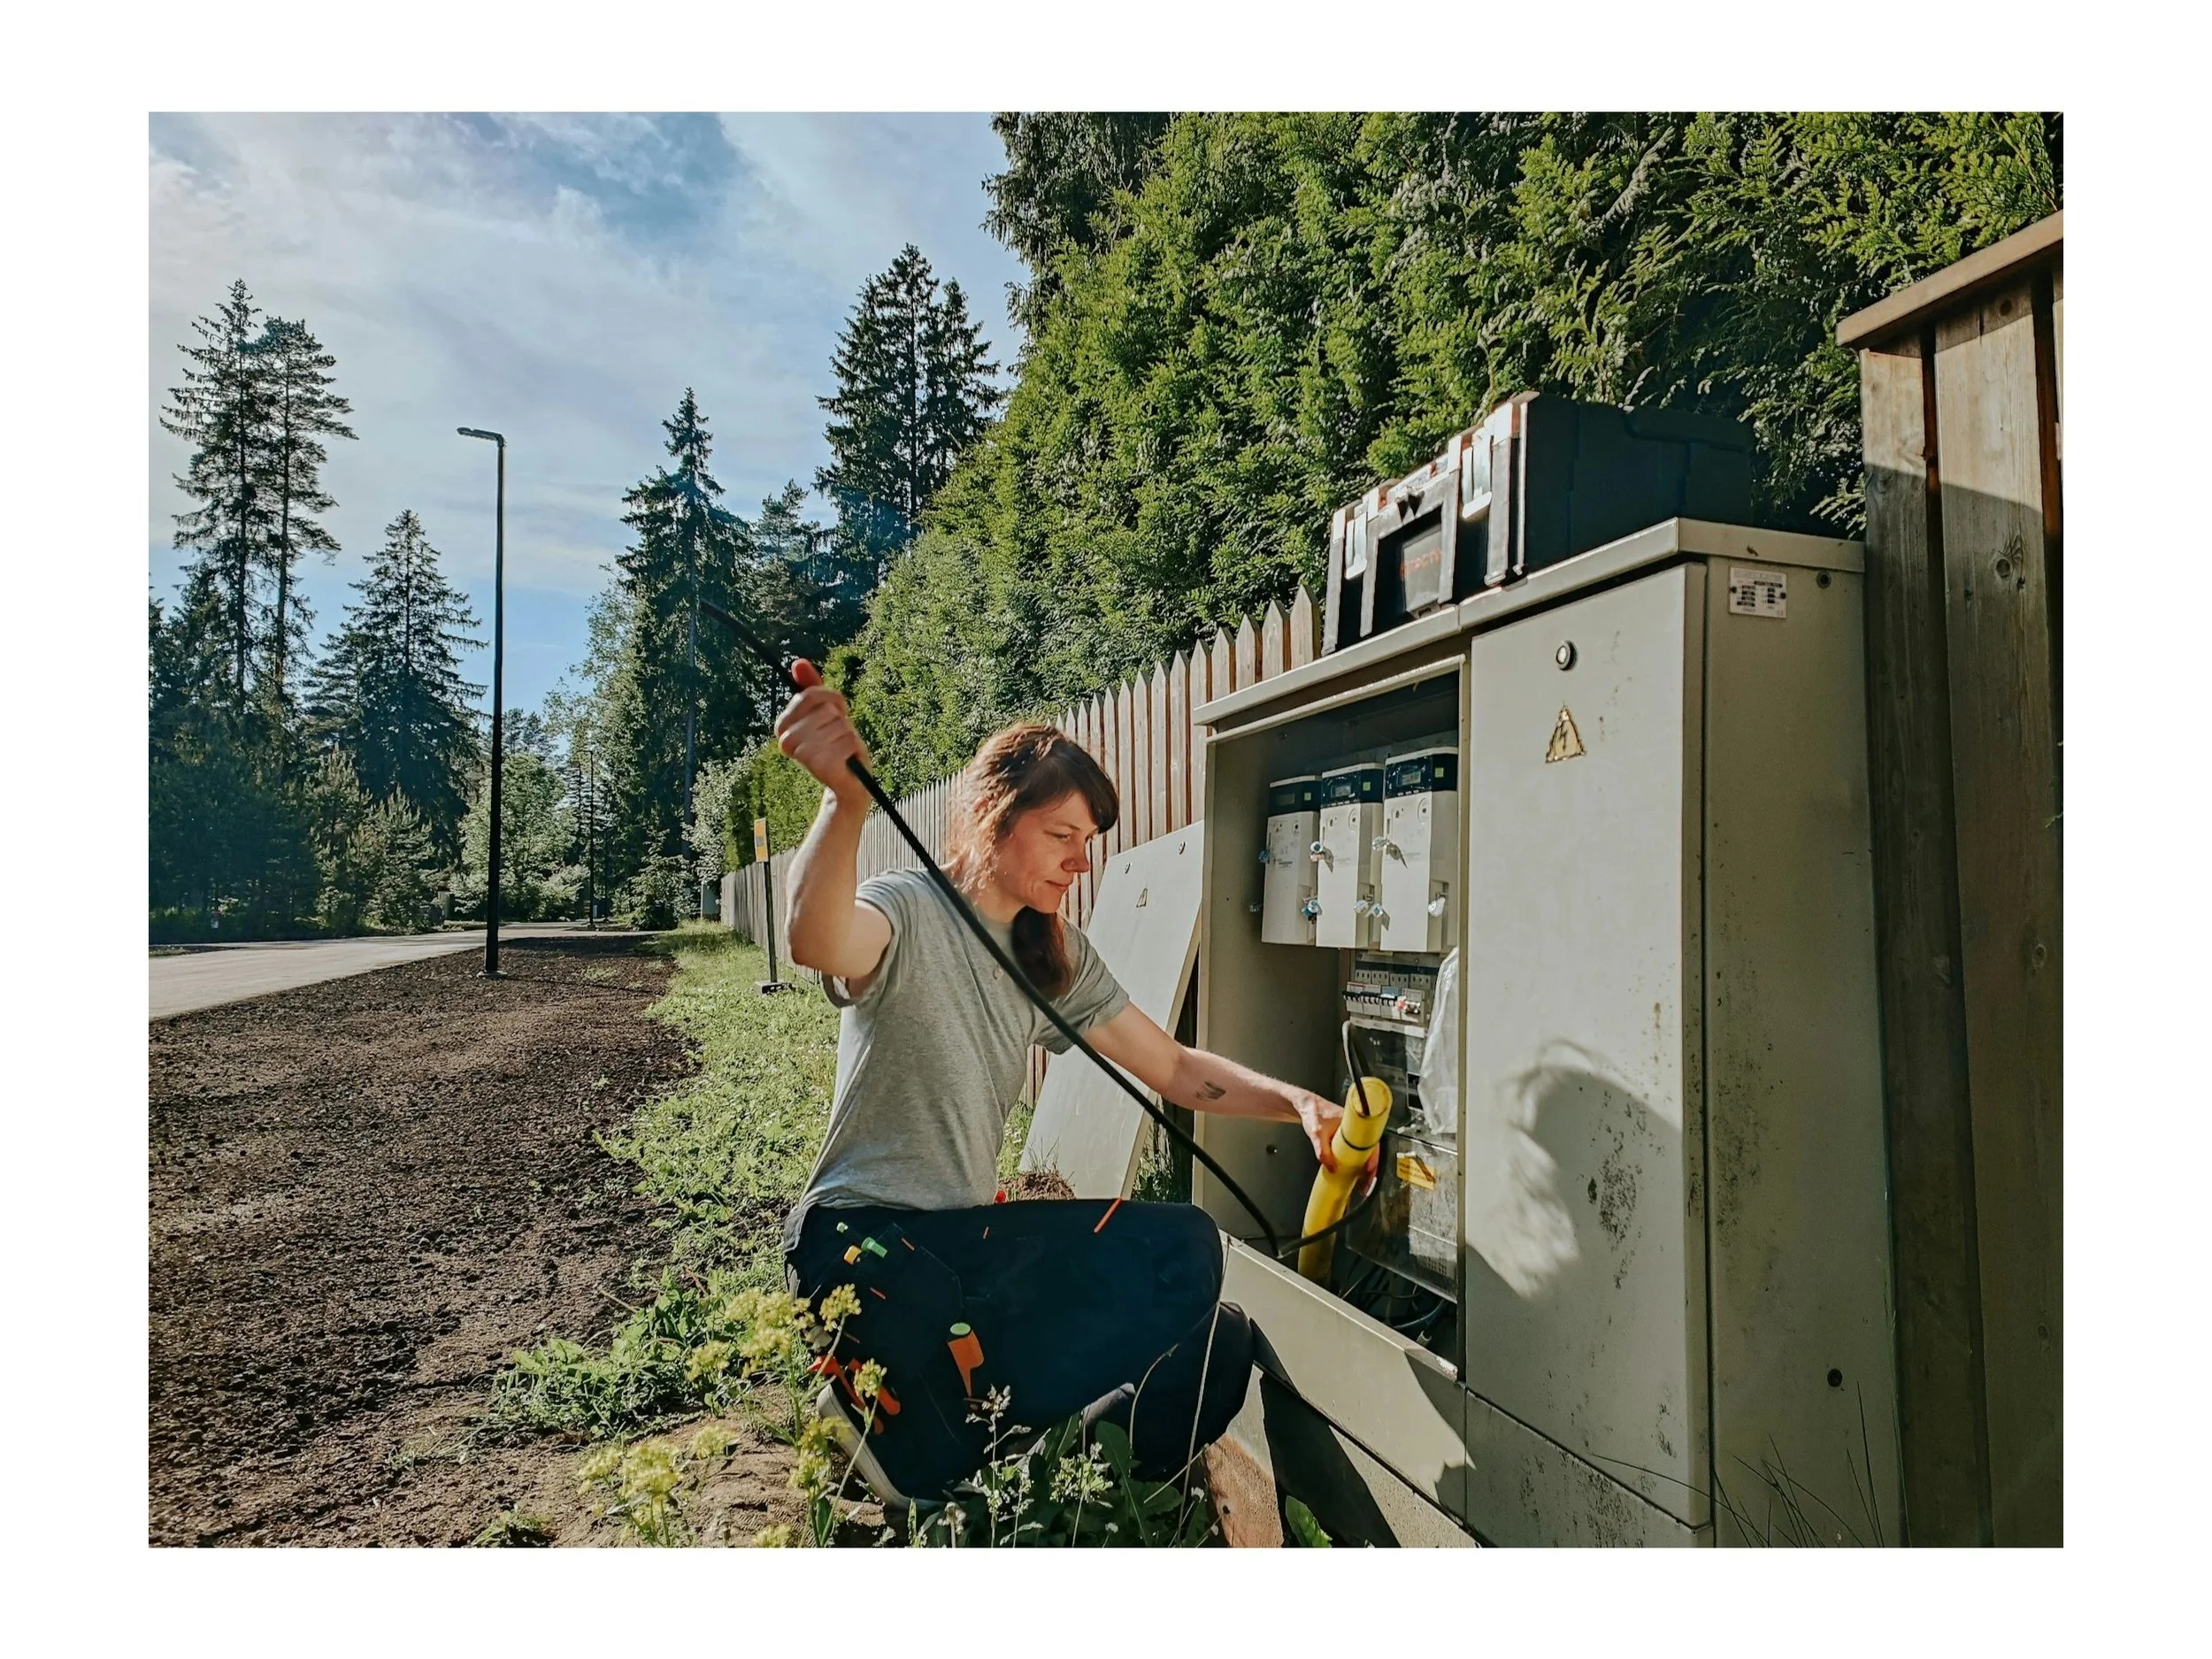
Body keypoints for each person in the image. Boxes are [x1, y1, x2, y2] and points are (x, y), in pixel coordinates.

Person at [773, 680, 1370, 1506]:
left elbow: (1173, 1069)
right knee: (1171, 1252)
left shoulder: (1053, 955)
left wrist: (1298, 1103)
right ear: (992, 815)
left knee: (1207, 1318)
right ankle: (914, 1439)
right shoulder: (904, 908)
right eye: (1061, 834)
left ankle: (1030, 1475)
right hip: (858, 1247)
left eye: (1087, 841)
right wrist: (843, 803)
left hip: (958, 1258)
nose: (1080, 861)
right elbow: (815, 937)